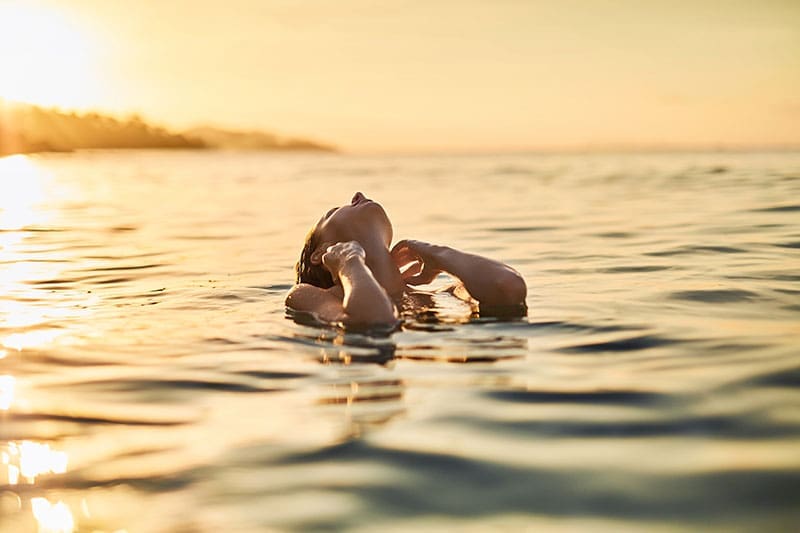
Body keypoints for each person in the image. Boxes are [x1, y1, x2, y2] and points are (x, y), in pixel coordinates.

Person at [286, 192, 527, 329]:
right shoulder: (308, 296)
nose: (357, 195)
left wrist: (439, 254)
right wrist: (349, 261)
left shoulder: (442, 295)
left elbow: (509, 288)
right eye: (332, 212)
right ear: (321, 253)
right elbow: (375, 322)